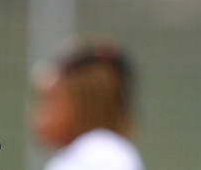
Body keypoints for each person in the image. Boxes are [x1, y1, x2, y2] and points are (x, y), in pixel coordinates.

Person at [31, 40, 144, 170]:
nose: (37, 114)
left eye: (49, 101)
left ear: (81, 104)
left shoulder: (102, 156)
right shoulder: (81, 156)